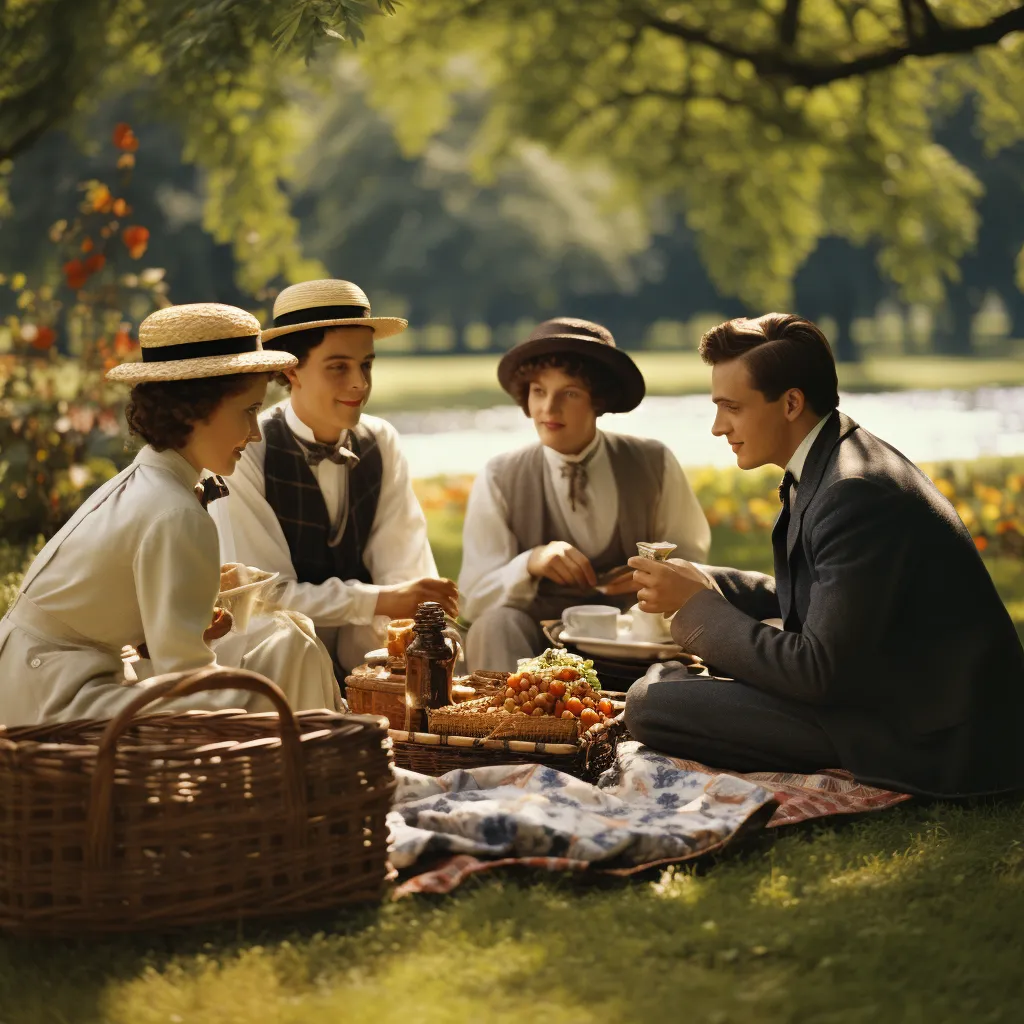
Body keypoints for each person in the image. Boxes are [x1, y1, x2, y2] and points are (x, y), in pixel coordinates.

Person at [624, 312, 1024, 798]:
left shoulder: (854, 491)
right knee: (667, 693)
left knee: (650, 704)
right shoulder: (835, 455)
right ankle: (686, 677)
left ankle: (678, 678)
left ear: (791, 403)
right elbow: (825, 598)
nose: (716, 427)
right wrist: (708, 582)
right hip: (877, 692)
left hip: (927, 736)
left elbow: (816, 672)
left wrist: (696, 612)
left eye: (731, 407)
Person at [0, 302, 340, 725]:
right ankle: (315, 764)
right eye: (249, 411)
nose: (255, 434)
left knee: (284, 639)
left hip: (46, 674)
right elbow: (187, 677)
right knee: (274, 672)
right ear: (194, 410)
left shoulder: (154, 480)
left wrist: (191, 626)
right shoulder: (174, 510)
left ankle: (317, 755)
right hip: (52, 696)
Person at [208, 279, 458, 677]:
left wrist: (405, 613)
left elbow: (403, 571)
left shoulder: (380, 442)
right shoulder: (248, 448)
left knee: (438, 642)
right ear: (291, 370)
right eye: (338, 367)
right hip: (273, 658)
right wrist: (378, 601)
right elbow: (263, 597)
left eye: (366, 364)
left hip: (362, 648)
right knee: (281, 637)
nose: (359, 382)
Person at [459, 317, 711, 673]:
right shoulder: (500, 476)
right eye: (539, 391)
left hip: (633, 642)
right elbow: (473, 599)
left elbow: (692, 560)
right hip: (534, 647)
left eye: (570, 393)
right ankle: (509, 725)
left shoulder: (653, 463)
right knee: (492, 625)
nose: (548, 408)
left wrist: (656, 578)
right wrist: (531, 562)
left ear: (599, 399)